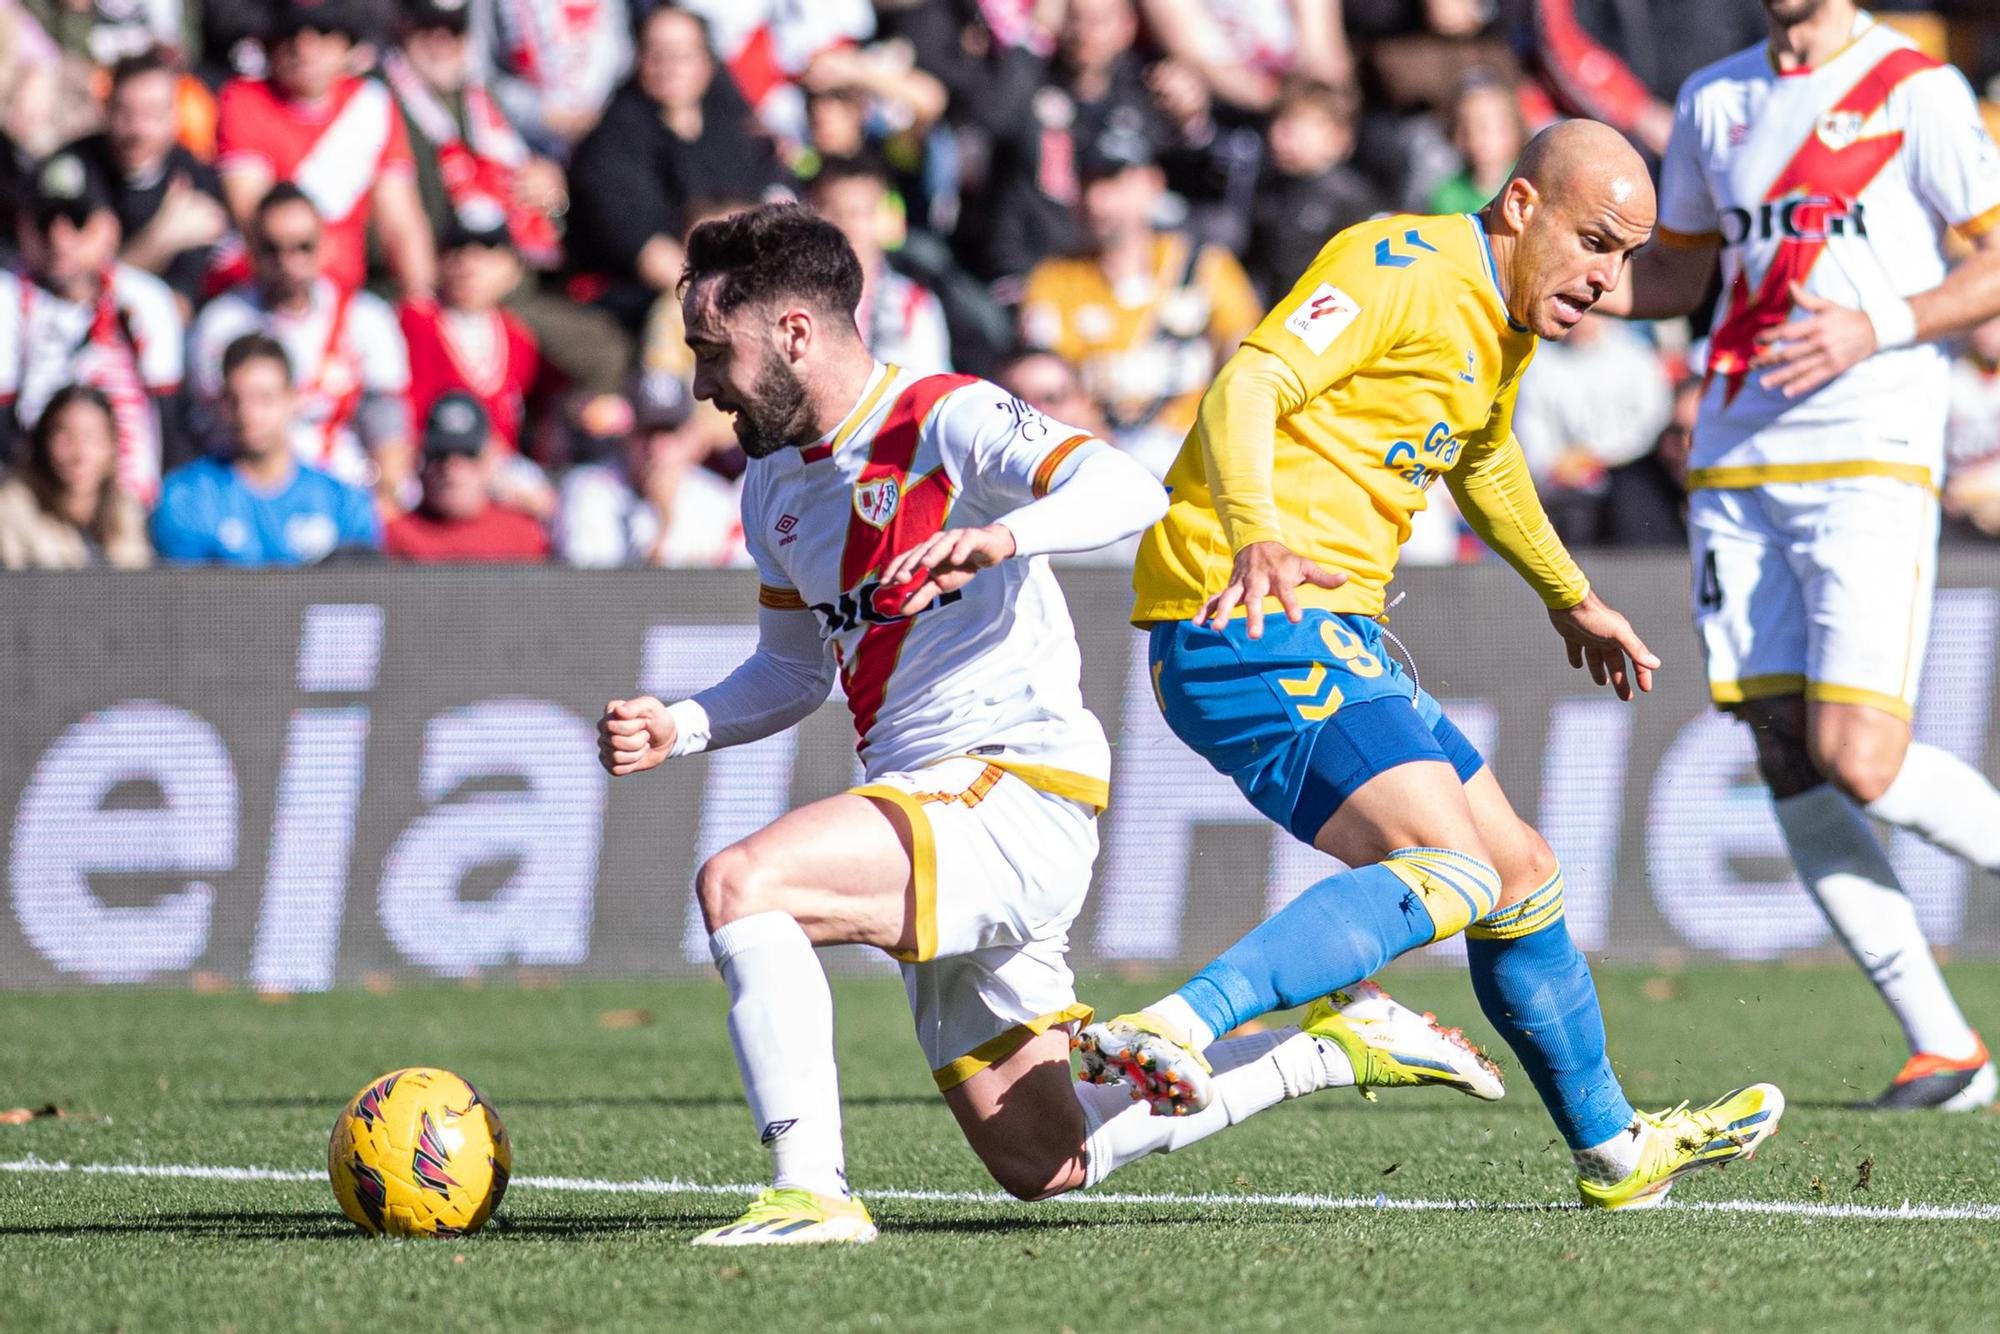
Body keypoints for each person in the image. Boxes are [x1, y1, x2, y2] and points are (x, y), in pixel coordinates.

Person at [594, 203, 1497, 1246]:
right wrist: (685, 723)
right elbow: (794, 669)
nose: (702, 384)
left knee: (743, 884)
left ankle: (811, 1191)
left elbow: (1127, 487)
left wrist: (1003, 537)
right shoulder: (769, 491)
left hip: (1011, 782)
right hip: (927, 793)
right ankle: (1333, 1045)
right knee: (1044, 1155)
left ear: (794, 330)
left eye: (714, 351)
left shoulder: (940, 417)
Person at [1079, 121, 1786, 1211]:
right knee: (1449, 870)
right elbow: (1248, 384)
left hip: (1332, 626)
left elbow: (1481, 454)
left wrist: (1570, 594)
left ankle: (1611, 1148)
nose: (1607, 280)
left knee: (1515, 874)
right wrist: (1258, 530)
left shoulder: (1501, 323)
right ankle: (1173, 1025)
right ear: (1516, 205)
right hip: (1248, 606)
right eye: (1593, 241)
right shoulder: (1395, 263)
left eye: (1625, 257)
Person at [1603, 0, 2000, 1110]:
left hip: (1866, 447)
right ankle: (1942, 1048)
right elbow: (1682, 278)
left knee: (1859, 754)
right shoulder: (1713, 98)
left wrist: (1876, 323)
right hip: (1734, 457)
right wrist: (1563, 282)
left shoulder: (1912, 88)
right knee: (1783, 749)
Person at [1018, 122, 1261, 476]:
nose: (1097, 200)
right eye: (1087, 184)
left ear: (1153, 183)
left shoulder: (1205, 267)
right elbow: (1046, 388)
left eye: (1114, 182)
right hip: (1097, 457)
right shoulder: (1052, 281)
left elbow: (1245, 353)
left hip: (1192, 450)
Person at [565, 5, 787, 331]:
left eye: (682, 54)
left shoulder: (734, 125)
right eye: (657, 53)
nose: (669, 66)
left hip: (744, 289)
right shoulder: (611, 144)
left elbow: (773, 204)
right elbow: (655, 260)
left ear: (707, 62)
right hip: (646, 305)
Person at [190, 185, 414, 505]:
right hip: (248, 495)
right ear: (252, 249)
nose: (287, 261)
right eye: (272, 248)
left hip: (346, 492)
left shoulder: (364, 317)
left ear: (324, 247)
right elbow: (214, 426)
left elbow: (386, 416)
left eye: (302, 247)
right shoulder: (221, 324)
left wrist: (387, 496)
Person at [214, 0, 437, 297]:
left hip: (345, 298)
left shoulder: (371, 104)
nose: (305, 48)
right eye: (290, 34)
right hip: (261, 292)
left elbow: (402, 223)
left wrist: (421, 303)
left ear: (348, 45)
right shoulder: (243, 99)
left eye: (323, 32)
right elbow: (255, 218)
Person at [0, 151, 184, 502]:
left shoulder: (145, 301)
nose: (60, 238)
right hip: (33, 503)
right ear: (23, 228)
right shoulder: (7, 299)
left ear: (110, 228)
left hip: (131, 508)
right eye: (45, 220)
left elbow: (169, 425)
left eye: (78, 219)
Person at [152, 333, 380, 565]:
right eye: (235, 400)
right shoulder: (187, 497)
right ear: (221, 403)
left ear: (293, 399)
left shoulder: (343, 502)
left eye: (265, 398)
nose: (249, 414)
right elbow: (184, 595)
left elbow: (360, 592)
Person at [381, 0, 567, 270]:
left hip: (511, 271)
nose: (441, 42)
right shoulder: (381, 101)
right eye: (427, 29)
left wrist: (552, 195)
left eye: (454, 30)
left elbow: (554, 202)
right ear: (402, 30)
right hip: (440, 275)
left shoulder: (483, 98)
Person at [62, 50, 229, 313]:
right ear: (105, 109)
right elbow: (77, 293)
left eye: (152, 114)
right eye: (125, 112)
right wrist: (161, 238)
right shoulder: (74, 169)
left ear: (174, 116)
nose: (137, 130)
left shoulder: (196, 179)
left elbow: (179, 307)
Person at [555, 372, 748, 568]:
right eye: (647, 432)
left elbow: (733, 587)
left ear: (693, 437)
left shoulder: (718, 501)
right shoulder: (589, 490)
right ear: (627, 435)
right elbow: (594, 589)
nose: (656, 447)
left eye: (670, 432)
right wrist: (663, 525)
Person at [399, 199, 542, 455]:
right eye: (457, 247)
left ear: (514, 268)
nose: (468, 262)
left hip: (495, 484)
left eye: (487, 248)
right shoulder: (411, 322)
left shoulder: (519, 339)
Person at [806, 157, 953, 375]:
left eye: (858, 213)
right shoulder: (794, 301)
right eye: (834, 213)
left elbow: (931, 387)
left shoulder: (913, 305)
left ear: (886, 219)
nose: (846, 226)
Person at [1247, 77, 1384, 304]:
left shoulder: (1352, 198)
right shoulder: (1268, 188)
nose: (1281, 134)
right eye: (1279, 122)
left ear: (1340, 138)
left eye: (1298, 126)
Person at [383, 391, 550, 562]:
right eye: (440, 454)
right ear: (419, 460)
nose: (452, 468)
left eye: (468, 454)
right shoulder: (394, 538)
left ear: (490, 459)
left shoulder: (521, 537)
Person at [0, 383, 152, 568]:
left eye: (92, 437)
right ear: (43, 442)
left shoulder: (125, 510)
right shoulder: (13, 510)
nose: (79, 454)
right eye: (66, 437)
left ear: (112, 446)